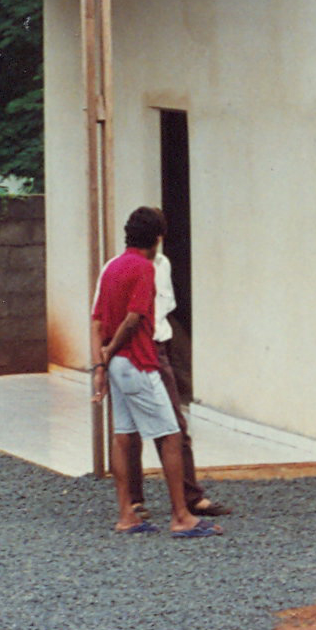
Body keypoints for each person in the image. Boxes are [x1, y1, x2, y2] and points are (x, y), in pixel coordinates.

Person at [89, 207, 229, 520]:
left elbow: (98, 318)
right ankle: (179, 514)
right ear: (157, 237)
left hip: (135, 354)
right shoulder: (140, 268)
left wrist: (101, 363)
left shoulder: (131, 266)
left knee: (125, 434)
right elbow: (133, 317)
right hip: (137, 355)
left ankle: (130, 514)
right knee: (169, 432)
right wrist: (108, 353)